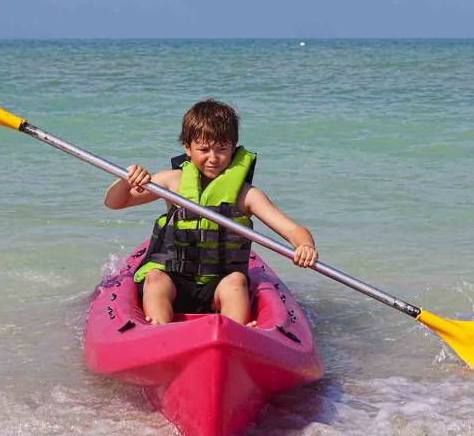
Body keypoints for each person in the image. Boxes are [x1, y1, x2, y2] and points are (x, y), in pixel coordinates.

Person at [104, 99, 317, 327]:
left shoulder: (247, 195)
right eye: (203, 150)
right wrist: (127, 180)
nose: (213, 158)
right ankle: (158, 330)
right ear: (187, 147)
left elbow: (294, 230)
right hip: (174, 278)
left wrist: (305, 245)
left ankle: (234, 333)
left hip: (219, 283)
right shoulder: (171, 182)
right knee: (155, 279)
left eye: (222, 149)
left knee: (236, 282)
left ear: (233, 148)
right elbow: (115, 202)